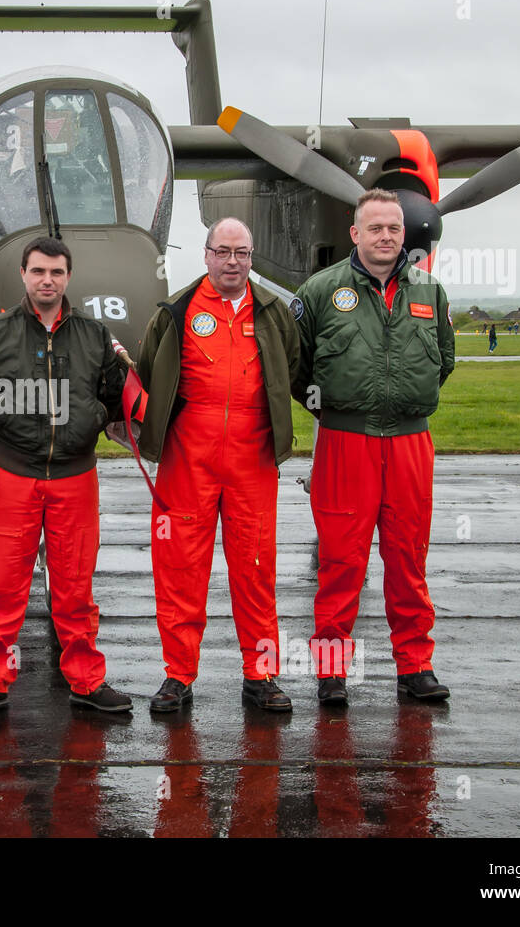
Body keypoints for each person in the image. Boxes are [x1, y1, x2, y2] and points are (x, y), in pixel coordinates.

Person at [291, 189, 455, 706]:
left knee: (409, 558)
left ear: (404, 235)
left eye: (394, 229)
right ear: (355, 234)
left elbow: (444, 361)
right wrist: (335, 410)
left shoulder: (431, 290)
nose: (386, 237)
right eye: (375, 228)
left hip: (409, 441)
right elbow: (298, 369)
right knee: (341, 560)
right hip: (345, 442)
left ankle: (415, 665)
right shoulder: (319, 291)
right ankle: (332, 671)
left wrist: (405, 400)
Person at [0, 236, 130, 716]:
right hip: (14, 474)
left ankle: (86, 679)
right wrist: (5, 434)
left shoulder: (94, 335)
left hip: (75, 475)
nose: (46, 280)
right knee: (4, 585)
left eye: (55, 272)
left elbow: (113, 397)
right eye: (38, 272)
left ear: (68, 277)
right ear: (24, 275)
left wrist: (89, 420)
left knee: (75, 586)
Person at [136, 217, 301, 713]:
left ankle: (261, 674)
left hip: (253, 457)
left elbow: (290, 367)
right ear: (206, 254)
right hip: (189, 457)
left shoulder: (273, 312)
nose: (233, 261)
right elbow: (149, 371)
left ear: (252, 257)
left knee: (256, 569)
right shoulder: (176, 311)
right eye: (223, 251)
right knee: (180, 569)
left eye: (242, 253)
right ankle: (178, 675)